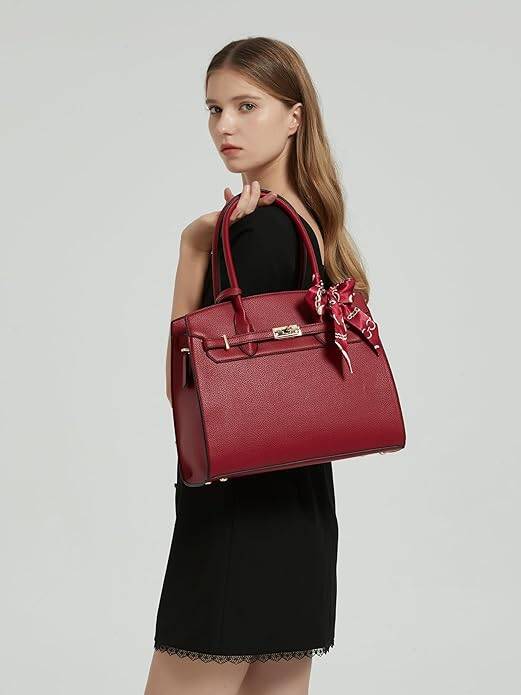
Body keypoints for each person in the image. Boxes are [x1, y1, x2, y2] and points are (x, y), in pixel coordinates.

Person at [144, 36, 370, 695]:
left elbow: (187, 391)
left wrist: (193, 249)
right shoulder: (313, 226)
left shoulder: (253, 231)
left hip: (237, 511)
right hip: (302, 510)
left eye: (247, 106)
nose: (225, 126)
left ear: (294, 117)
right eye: (214, 109)